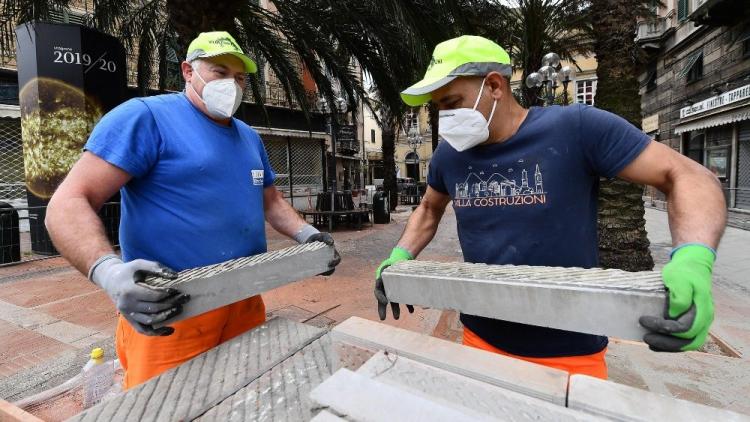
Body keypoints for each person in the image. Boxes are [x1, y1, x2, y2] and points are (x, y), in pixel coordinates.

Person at [374, 35, 726, 379]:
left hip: (570, 352)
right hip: (480, 337)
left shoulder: (575, 128)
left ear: (495, 85)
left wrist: (694, 259)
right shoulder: (449, 155)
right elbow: (429, 208)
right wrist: (400, 257)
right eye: (438, 109)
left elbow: (688, 176)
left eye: (451, 103)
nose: (444, 119)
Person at [46, 31, 340, 389]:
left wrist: (308, 235)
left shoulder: (249, 136)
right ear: (187, 71)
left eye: (241, 77)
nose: (232, 84)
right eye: (219, 72)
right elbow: (68, 202)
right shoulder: (145, 119)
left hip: (245, 296)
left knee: (241, 397)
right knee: (166, 407)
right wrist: (108, 272)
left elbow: (271, 201)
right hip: (171, 310)